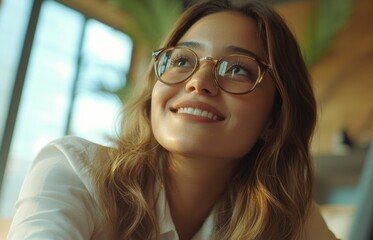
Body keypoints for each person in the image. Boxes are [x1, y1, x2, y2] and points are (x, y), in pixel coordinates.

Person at [8, 0, 337, 239]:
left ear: (275, 119)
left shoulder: (286, 216)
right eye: (182, 59)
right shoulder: (77, 172)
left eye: (237, 68)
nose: (199, 81)